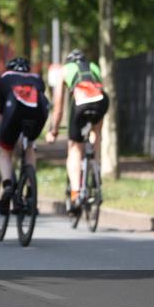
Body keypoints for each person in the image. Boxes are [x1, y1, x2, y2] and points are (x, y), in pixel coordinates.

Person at [45, 49, 109, 213]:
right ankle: (96, 169)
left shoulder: (64, 70)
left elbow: (58, 106)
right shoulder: (93, 66)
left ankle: (75, 193)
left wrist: (54, 131)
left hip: (81, 103)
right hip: (101, 101)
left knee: (74, 148)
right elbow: (99, 88)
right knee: (96, 134)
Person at [0, 57, 50, 215]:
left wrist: (4, 131)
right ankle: (31, 191)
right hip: (39, 113)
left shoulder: (3, 79)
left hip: (14, 110)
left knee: (5, 152)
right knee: (30, 145)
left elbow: (1, 113)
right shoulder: (37, 78)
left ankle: (8, 185)